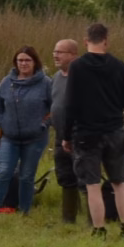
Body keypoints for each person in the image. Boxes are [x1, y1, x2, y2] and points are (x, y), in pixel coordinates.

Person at [67, 21, 124, 238]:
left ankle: (99, 229)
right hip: (115, 131)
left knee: (93, 184)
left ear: (85, 41)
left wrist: (64, 135)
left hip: (86, 133)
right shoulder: (119, 65)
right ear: (106, 41)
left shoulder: (77, 67)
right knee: (119, 182)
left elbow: (70, 103)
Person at [0, 47, 53, 216]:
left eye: (27, 60)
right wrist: (2, 122)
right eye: (20, 60)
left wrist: (43, 124)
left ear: (35, 62)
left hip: (35, 138)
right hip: (9, 138)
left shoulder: (46, 83)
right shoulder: (6, 82)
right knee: (3, 172)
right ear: (15, 63)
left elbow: (55, 108)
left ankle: (25, 211)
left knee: (26, 176)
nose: (23, 64)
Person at [48, 37, 83, 226]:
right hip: (60, 135)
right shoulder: (56, 77)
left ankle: (94, 219)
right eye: (55, 51)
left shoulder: (83, 78)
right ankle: (68, 219)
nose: (55, 55)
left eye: (60, 52)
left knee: (85, 176)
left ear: (73, 55)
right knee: (65, 175)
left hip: (79, 135)